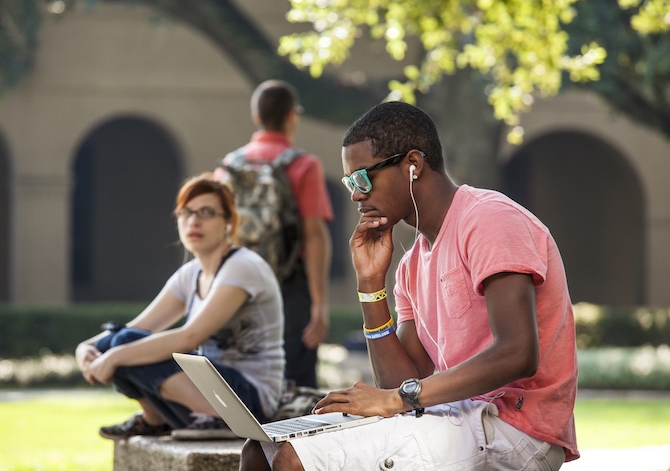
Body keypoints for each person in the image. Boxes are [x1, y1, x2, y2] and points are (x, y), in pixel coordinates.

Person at [240, 101, 579, 470]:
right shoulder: (411, 264)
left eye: (363, 178)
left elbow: (517, 353)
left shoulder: (489, 219)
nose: (356, 194)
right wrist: (370, 284)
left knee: (293, 459)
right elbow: (400, 382)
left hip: (514, 430)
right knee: (260, 449)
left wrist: (399, 398)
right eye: (350, 182)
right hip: (455, 417)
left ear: (413, 165)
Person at [75, 173, 285, 440]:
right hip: (205, 393)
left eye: (207, 212)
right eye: (186, 213)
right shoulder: (191, 274)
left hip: (248, 403)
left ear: (229, 223)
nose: (194, 221)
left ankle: (216, 418)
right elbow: (135, 328)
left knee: (124, 345)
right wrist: (88, 347)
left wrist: (115, 356)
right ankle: (156, 419)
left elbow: (189, 337)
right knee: (116, 341)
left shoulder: (243, 266)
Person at [219, 80, 334, 388]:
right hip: (290, 289)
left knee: (241, 375)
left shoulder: (229, 168)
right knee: (295, 382)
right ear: (292, 115)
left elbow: (220, 235)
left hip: (238, 286)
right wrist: (319, 305)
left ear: (256, 117)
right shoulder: (303, 165)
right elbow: (315, 234)